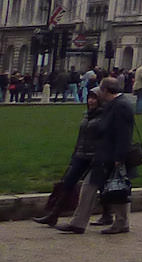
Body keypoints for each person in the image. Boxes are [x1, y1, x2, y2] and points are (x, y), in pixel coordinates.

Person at [58, 78, 135, 235]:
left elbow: (123, 135)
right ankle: (78, 223)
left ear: (106, 90)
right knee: (89, 187)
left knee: (117, 188)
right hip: (104, 155)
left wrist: (119, 158)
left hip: (112, 156)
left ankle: (121, 222)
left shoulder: (120, 106)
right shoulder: (116, 104)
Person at [33, 92, 107, 227]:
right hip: (81, 154)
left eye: (94, 98)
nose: (91, 101)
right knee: (68, 182)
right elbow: (81, 137)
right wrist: (75, 154)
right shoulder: (87, 114)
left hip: (95, 156)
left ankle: (107, 214)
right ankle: (53, 215)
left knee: (101, 186)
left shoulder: (105, 116)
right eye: (89, 98)